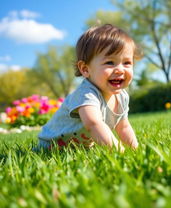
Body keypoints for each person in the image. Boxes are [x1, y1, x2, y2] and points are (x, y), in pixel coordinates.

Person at [37, 24, 141, 152]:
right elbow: (93, 124)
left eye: (127, 63)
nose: (120, 69)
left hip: (79, 147)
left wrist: (136, 151)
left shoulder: (122, 96)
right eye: (109, 62)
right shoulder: (86, 94)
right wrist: (120, 152)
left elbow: (123, 127)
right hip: (52, 147)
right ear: (85, 69)